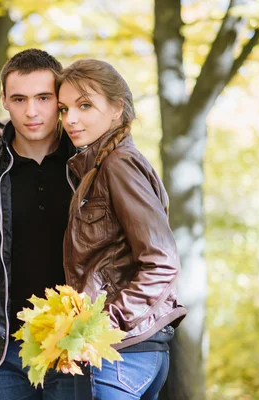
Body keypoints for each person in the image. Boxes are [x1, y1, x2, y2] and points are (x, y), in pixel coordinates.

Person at [0, 49, 86, 399]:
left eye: (43, 98)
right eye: (20, 99)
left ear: (60, 101)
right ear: (4, 100)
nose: (31, 111)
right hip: (3, 350)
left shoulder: (88, 165)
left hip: (74, 344)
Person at [57, 59, 187, 399]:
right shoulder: (100, 166)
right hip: (133, 349)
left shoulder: (119, 164)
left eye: (85, 105)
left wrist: (105, 323)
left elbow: (162, 261)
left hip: (123, 352)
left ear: (117, 108)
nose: (70, 118)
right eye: (64, 108)